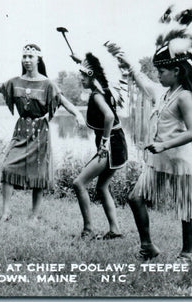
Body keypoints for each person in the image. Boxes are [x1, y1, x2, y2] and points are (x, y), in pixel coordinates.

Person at [126, 7, 192, 263]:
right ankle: (148, 246)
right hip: (158, 160)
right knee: (135, 198)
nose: (158, 75)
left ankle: (186, 253)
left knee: (185, 207)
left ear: (177, 72)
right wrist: (128, 65)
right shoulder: (162, 93)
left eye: (162, 71)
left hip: (179, 161)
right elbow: (143, 82)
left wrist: (164, 145)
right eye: (158, 71)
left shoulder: (183, 97)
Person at [0, 44, 84, 222]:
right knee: (8, 166)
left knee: (39, 173)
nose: (26, 60)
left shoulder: (47, 84)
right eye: (24, 56)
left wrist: (78, 114)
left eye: (30, 57)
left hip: (40, 131)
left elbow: (63, 101)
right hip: (21, 130)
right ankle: (6, 211)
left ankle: (34, 214)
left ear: (38, 59)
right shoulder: (14, 81)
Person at [69, 49, 128, 240]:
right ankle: (115, 230)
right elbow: (98, 71)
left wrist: (103, 143)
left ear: (91, 76)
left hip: (110, 144)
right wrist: (81, 61)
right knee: (102, 187)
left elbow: (109, 116)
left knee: (79, 183)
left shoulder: (96, 95)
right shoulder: (105, 88)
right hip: (118, 142)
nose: (81, 79)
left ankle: (88, 230)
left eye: (83, 76)